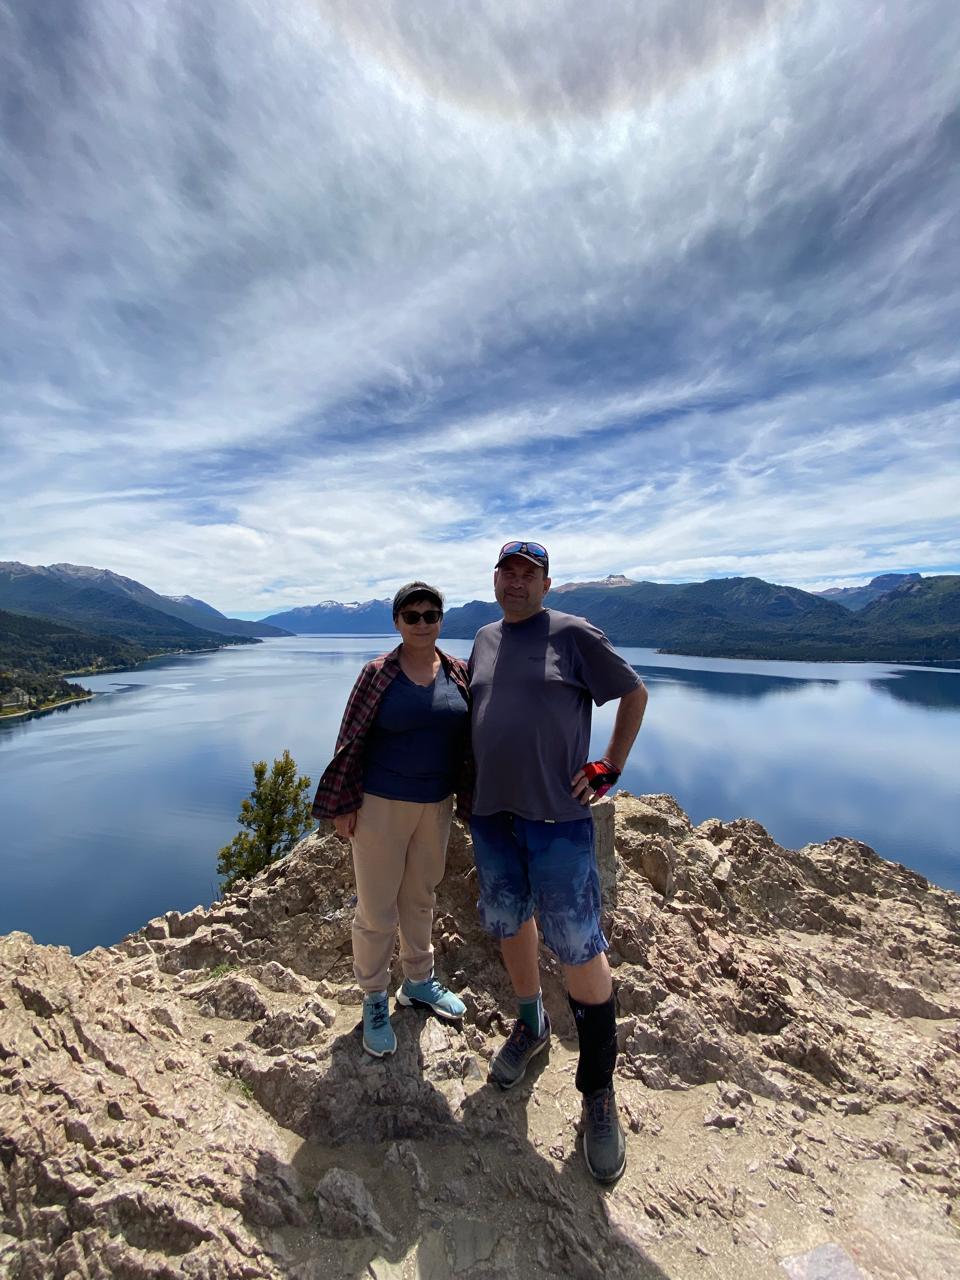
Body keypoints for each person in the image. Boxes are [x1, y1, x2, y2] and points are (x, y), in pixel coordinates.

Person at [468, 540, 648, 1183]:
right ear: (495, 580)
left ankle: (598, 1091)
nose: (516, 582)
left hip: (558, 821)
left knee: (578, 945)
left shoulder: (573, 634)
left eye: (529, 574)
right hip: (492, 817)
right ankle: (531, 1024)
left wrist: (610, 765)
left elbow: (634, 693)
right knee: (511, 923)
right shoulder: (484, 638)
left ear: (546, 584)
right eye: (508, 573)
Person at [312, 581, 470, 1058]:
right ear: (397, 622)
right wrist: (343, 804)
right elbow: (349, 739)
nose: (422, 623)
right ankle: (375, 996)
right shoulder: (378, 674)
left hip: (436, 804)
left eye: (431, 615)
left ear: (441, 620)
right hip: (380, 804)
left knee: (421, 897)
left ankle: (418, 981)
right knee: (377, 907)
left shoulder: (457, 671)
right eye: (412, 615)